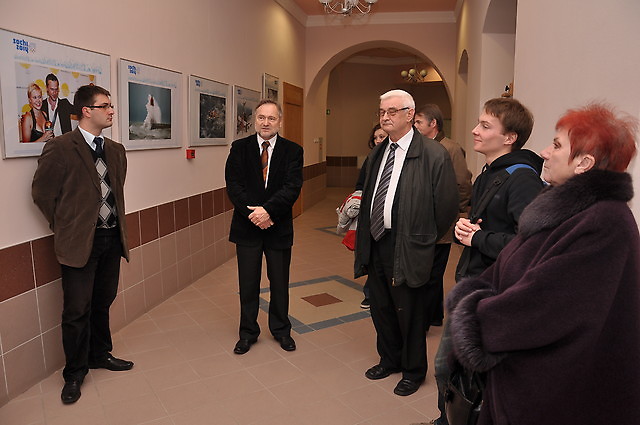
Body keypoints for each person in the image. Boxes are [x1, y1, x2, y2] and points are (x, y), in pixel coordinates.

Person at [447, 102, 640, 425]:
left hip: (553, 389)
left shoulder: (604, 223)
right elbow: (511, 263)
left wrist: (474, 318)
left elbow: (543, 306)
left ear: (584, 163)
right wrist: (476, 293)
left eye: (556, 145)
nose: (544, 153)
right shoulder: (564, 210)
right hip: (528, 376)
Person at [429, 97, 544, 425]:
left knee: (452, 370)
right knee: (453, 369)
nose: (474, 130)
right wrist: (463, 230)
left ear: (509, 137)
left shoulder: (522, 178)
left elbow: (530, 244)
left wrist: (477, 238)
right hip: (473, 283)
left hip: (493, 291)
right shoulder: (488, 175)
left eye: (485, 125)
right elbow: (485, 228)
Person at [32, 84, 133, 405]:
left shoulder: (116, 150)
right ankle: (74, 373)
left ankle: (100, 354)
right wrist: (66, 227)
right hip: (78, 243)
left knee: (103, 300)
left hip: (111, 238)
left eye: (111, 105)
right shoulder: (61, 147)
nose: (112, 111)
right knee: (77, 309)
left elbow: (116, 190)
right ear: (86, 111)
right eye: (105, 106)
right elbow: (43, 194)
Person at [354, 89, 458, 397]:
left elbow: (446, 208)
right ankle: (390, 360)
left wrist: (422, 237)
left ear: (410, 114)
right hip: (377, 242)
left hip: (410, 245)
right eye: (382, 112)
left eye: (392, 111)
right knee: (381, 307)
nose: (385, 117)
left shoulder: (433, 154)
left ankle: (413, 371)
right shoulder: (378, 152)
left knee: (410, 312)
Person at [225, 99, 303, 355]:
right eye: (261, 117)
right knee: (248, 284)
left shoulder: (293, 151)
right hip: (247, 227)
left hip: (278, 227)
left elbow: (292, 188)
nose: (266, 123)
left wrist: (268, 211)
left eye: (271, 118)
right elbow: (234, 186)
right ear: (254, 120)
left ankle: (281, 330)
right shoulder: (239, 148)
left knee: (279, 283)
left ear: (280, 121)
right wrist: (255, 214)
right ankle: (247, 332)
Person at [414, 104, 472, 326]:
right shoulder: (419, 146)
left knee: (434, 272)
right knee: (426, 271)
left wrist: (457, 214)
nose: (415, 126)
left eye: (419, 122)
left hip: (442, 221)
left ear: (433, 123)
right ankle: (433, 315)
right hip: (423, 221)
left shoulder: (451, 148)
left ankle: (428, 317)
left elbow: (462, 184)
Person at [353, 124, 388, 309]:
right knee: (371, 256)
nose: (378, 141)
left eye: (382, 136)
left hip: (388, 219)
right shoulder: (371, 159)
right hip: (371, 218)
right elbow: (360, 185)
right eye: (376, 138)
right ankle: (369, 294)